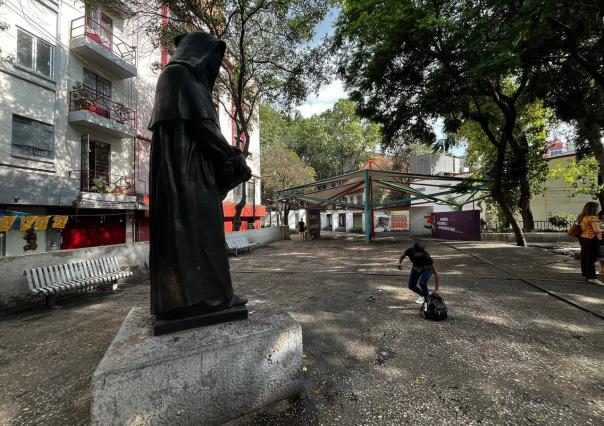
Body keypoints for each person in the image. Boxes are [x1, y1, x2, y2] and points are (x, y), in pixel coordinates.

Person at [578, 202, 604, 285]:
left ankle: (587, 275)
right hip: (592, 239)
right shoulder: (593, 217)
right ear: (594, 209)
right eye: (597, 208)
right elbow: (596, 230)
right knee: (591, 259)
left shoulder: (583, 217)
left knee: (585, 257)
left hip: (583, 238)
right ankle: (592, 278)